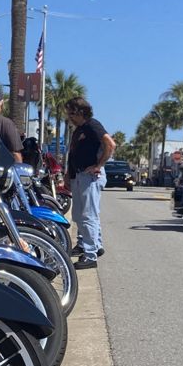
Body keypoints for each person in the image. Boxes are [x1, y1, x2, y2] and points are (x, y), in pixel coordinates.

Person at [64, 97, 115, 269]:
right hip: (79, 175)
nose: (69, 116)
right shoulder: (79, 129)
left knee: (88, 215)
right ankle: (90, 244)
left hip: (90, 176)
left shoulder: (93, 125)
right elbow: (73, 154)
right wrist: (68, 175)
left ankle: (90, 254)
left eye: (72, 112)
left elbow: (110, 144)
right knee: (80, 214)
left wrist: (98, 165)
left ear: (81, 111)